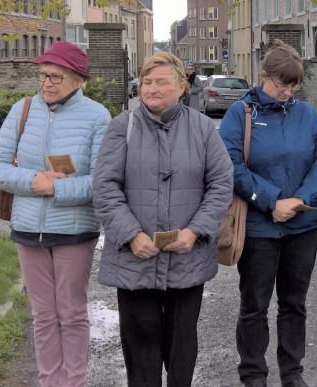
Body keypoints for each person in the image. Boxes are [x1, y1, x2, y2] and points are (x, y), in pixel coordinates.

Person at [93, 52, 233, 386]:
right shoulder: (121, 127)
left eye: (161, 82)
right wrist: (130, 235)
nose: (152, 89)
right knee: (140, 349)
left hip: (187, 258)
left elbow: (221, 183)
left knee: (182, 347)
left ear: (182, 87)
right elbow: (105, 186)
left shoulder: (201, 128)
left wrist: (196, 231)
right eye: (146, 81)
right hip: (135, 259)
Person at [0, 41, 110, 387]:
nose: (47, 83)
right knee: (42, 315)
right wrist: (33, 181)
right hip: (27, 228)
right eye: (43, 76)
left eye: (56, 77)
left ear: (77, 79)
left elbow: (102, 180)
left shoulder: (97, 117)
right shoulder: (22, 110)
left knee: (70, 313)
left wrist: (57, 188)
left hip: (74, 231)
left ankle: (73, 382)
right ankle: (49, 381)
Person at [219, 40, 317, 387]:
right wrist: (270, 201)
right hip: (258, 228)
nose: (285, 91)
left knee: (294, 302)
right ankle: (253, 372)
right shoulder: (241, 113)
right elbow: (231, 165)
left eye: (292, 85)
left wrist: (301, 198)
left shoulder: (307, 114)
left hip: (302, 225)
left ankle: (292, 371)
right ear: (263, 76)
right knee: (254, 304)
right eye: (279, 83)